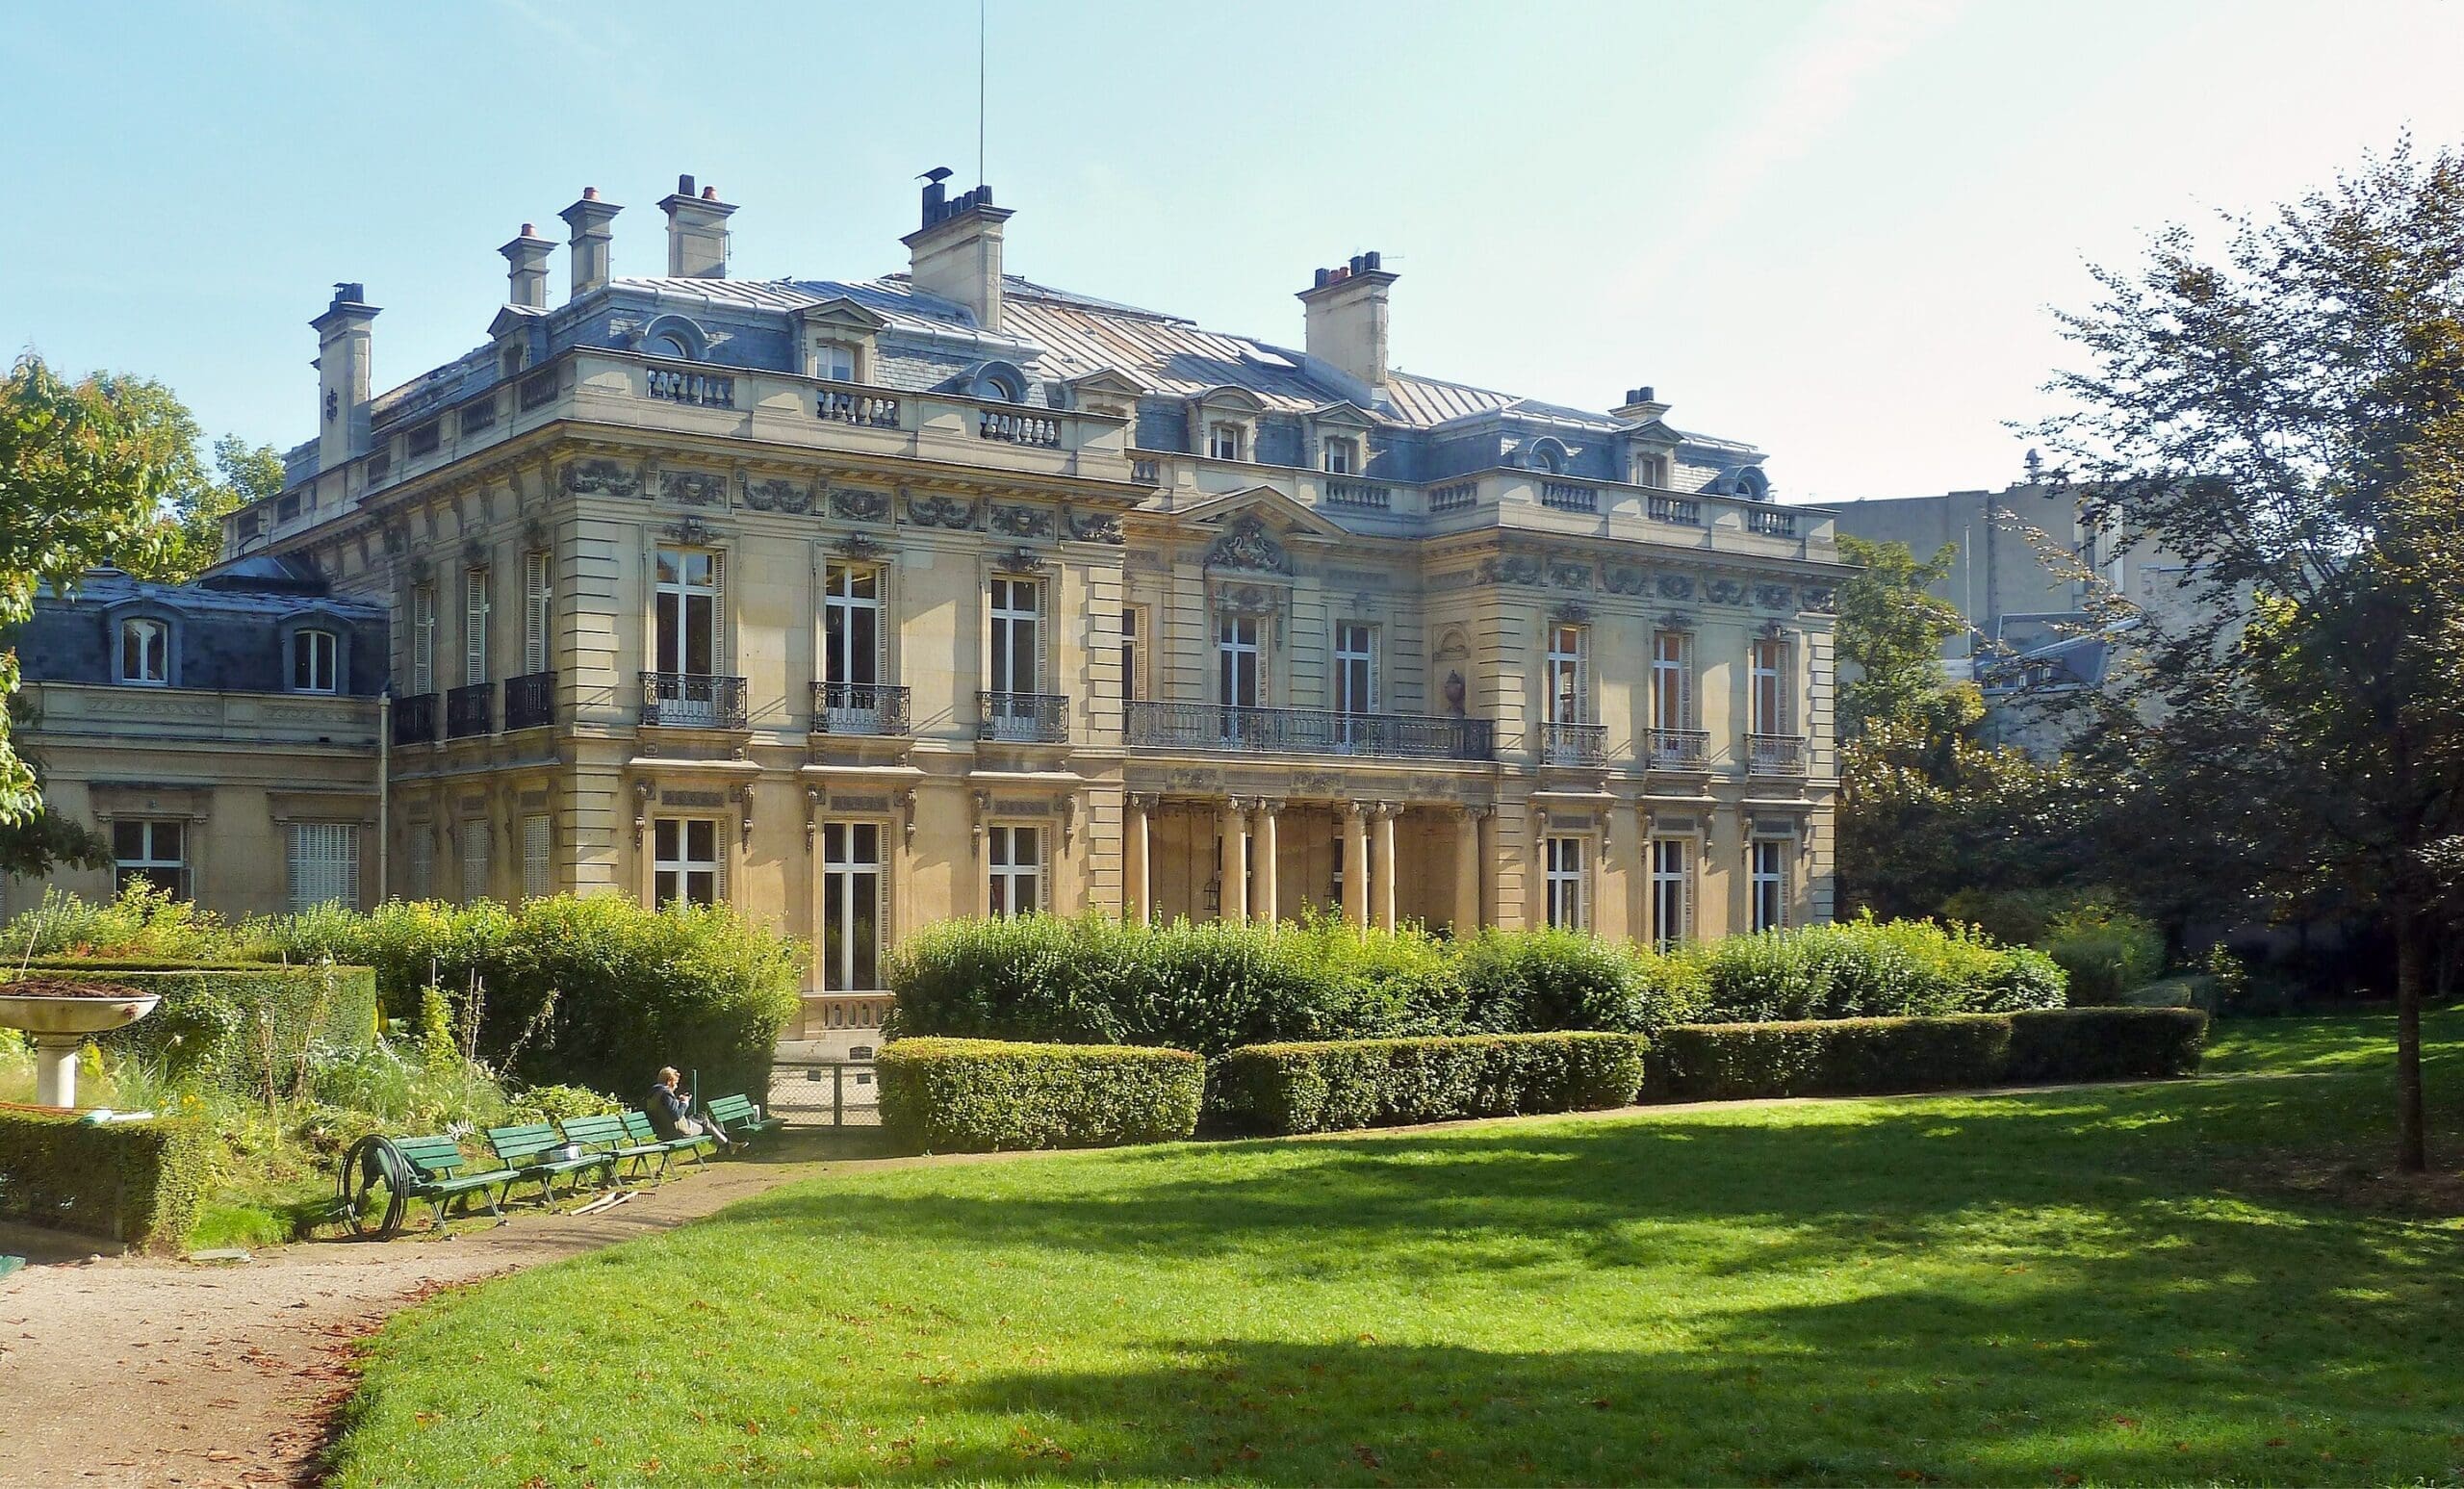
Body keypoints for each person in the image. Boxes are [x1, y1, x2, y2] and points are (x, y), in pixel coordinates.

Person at [646, 1066, 735, 1152]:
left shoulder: (654, 1093)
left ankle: (727, 1144)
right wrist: (685, 1103)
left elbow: (665, 1111)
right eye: (676, 1083)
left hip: (664, 1131)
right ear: (669, 1081)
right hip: (677, 1132)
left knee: (701, 1117)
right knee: (705, 1125)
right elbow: (676, 1116)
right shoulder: (666, 1094)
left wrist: (678, 1101)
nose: (676, 1086)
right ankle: (727, 1145)